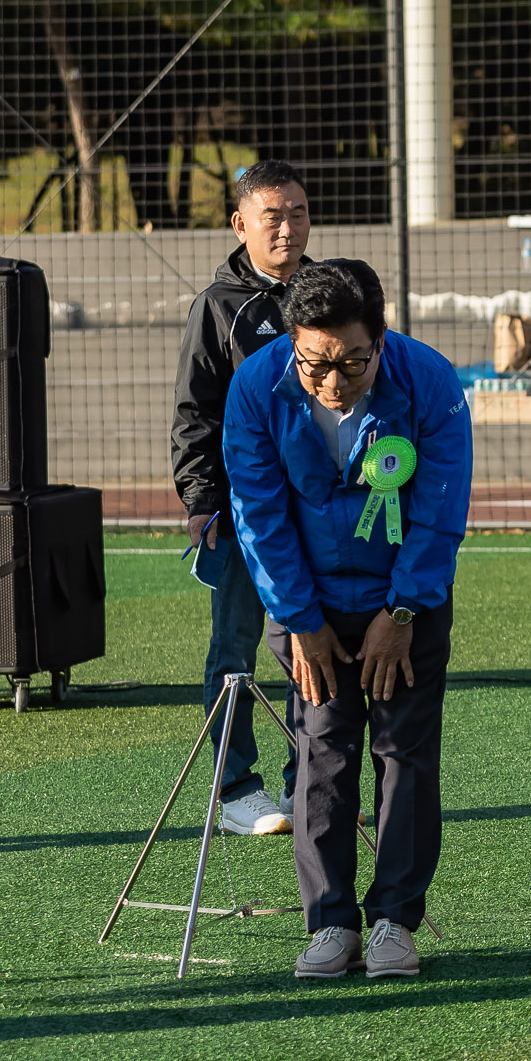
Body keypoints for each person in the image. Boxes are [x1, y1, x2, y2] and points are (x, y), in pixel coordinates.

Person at [225, 259, 472, 981]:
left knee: (405, 754)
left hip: (406, 601)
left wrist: (403, 612)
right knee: (322, 753)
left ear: (382, 339)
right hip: (310, 605)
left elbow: (439, 506)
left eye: (353, 362)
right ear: (293, 341)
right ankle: (330, 923)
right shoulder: (254, 386)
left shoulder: (429, 382)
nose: (334, 382)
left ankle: (396, 917)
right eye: (315, 362)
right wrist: (300, 619)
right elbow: (258, 514)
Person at [170, 159, 312, 837]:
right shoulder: (218, 306)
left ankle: (309, 780)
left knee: (311, 645)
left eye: (298, 213)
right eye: (272, 216)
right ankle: (236, 791)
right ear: (241, 224)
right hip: (242, 514)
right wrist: (201, 501)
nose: (287, 227)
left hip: (321, 511)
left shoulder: (328, 291)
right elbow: (194, 412)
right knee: (235, 646)